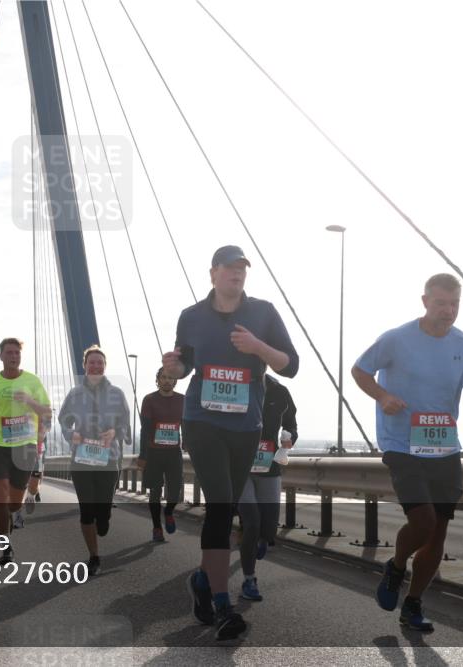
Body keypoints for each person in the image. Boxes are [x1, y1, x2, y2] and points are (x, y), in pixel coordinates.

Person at [163, 245, 298, 640]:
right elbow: (185, 363)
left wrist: (259, 348)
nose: (237, 274)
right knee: (221, 505)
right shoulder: (191, 316)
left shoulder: (264, 313)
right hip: (202, 421)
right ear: (213, 273)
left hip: (245, 426)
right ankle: (224, 606)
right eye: (229, 268)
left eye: (242, 268)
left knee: (226, 510)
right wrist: (175, 367)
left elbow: (291, 365)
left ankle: (202, 581)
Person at [353, 273, 463, 632]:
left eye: (454, 304)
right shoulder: (396, 339)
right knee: (424, 522)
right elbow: (360, 370)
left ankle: (413, 603)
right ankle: (397, 565)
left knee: (438, 532)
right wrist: (383, 396)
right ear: (425, 301)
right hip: (402, 445)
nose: (448, 310)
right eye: (441, 303)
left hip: (445, 448)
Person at [0, 338, 51, 564]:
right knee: (0, 493)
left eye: (17, 353)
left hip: (25, 446)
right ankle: (5, 545)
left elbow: (47, 412)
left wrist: (30, 401)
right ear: (1, 356)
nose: (13, 356)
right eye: (9, 353)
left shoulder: (32, 381)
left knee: (14, 503)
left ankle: (13, 514)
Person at [58, 346, 130, 575]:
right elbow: (63, 420)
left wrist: (115, 432)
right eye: (92, 362)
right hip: (81, 459)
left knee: (102, 514)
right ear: (85, 366)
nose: (96, 366)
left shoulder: (117, 394)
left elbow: (125, 424)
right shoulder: (74, 394)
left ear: (105, 366)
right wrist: (71, 434)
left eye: (100, 362)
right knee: (87, 510)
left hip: (108, 460)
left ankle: (105, 516)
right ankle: (94, 556)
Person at [236, 374, 298, 601]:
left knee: (268, 527)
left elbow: (291, 423)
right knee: (251, 522)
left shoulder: (280, 392)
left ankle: (262, 538)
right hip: (240, 468)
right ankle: (249, 579)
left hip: (269, 466)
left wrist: (290, 438)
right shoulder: (237, 383)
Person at [137, 367, 185, 543]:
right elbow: (145, 430)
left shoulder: (182, 400)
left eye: (170, 377)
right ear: (158, 380)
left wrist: (188, 442)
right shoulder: (149, 399)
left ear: (175, 381)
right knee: (155, 492)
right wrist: (143, 456)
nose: (166, 380)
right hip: (154, 453)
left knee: (175, 490)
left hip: (174, 453)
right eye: (163, 377)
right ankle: (157, 528)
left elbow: (186, 424)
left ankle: (169, 512)